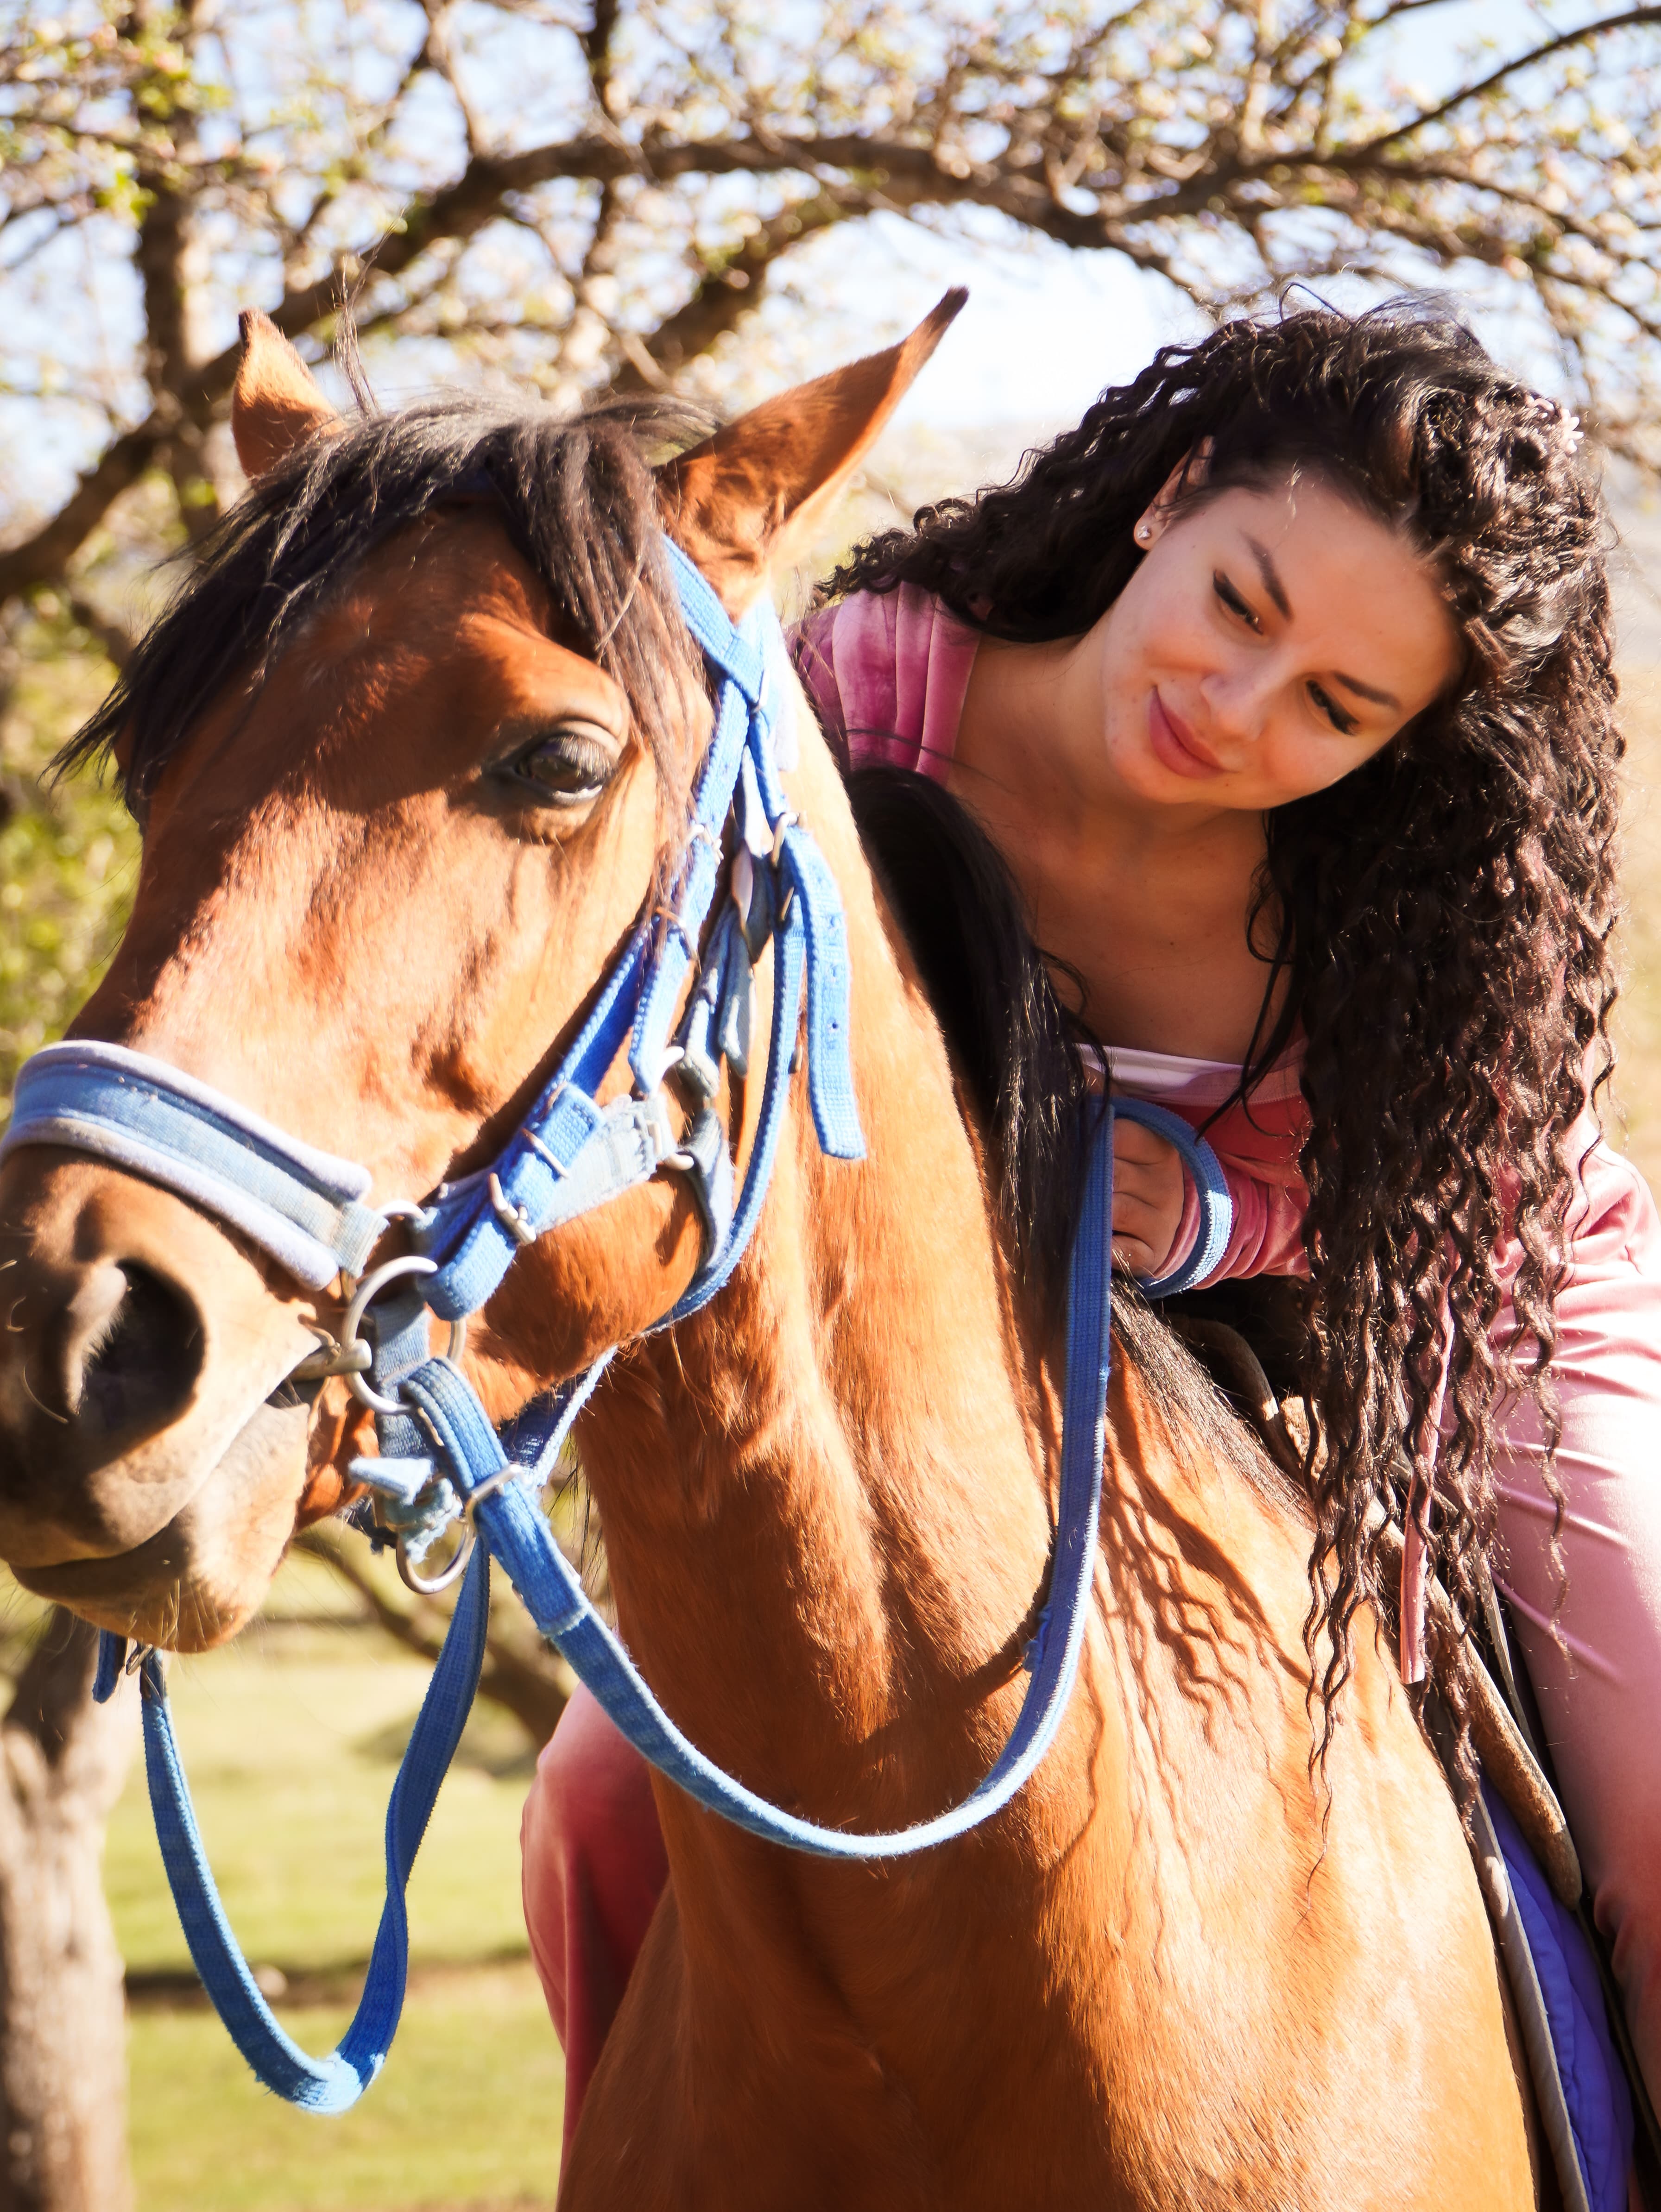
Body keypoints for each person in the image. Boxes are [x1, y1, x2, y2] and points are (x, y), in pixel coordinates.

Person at [523, 301, 1661, 2154]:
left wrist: (1208, 1203)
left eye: (1340, 709)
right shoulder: (874, 696)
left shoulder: (1408, 891)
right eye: (1241, 605)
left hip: (1454, 1301)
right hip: (1004, 1321)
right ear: (1175, 495)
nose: (1238, 709)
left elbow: (1463, 1184)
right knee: (595, 1807)